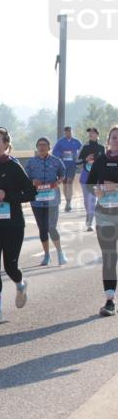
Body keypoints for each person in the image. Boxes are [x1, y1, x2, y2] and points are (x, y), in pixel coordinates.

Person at [0, 127, 35, 325]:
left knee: (10, 266)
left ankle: (20, 283)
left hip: (13, 225)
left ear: (6, 145)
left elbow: (30, 193)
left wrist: (8, 196)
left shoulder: (14, 167)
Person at [85, 125, 118, 316]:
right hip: (104, 215)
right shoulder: (100, 161)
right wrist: (95, 190)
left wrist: (116, 187)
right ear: (108, 140)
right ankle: (110, 301)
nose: (116, 140)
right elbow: (89, 185)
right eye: (114, 137)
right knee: (109, 257)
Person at [25, 137, 68, 266]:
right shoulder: (31, 162)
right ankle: (47, 255)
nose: (42, 147)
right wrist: (32, 181)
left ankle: (60, 253)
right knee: (42, 228)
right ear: (37, 147)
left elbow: (63, 174)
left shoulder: (56, 161)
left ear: (49, 147)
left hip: (52, 199)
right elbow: (24, 178)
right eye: (39, 145)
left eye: (44, 145)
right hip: (37, 200)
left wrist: (59, 181)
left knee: (51, 227)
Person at [79, 127, 106, 231]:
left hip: (97, 177)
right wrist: (86, 159)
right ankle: (88, 215)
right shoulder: (84, 147)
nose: (91, 134)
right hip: (85, 177)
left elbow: (105, 162)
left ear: (97, 134)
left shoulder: (101, 147)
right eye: (89, 132)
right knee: (87, 201)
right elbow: (77, 161)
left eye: (93, 132)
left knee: (93, 200)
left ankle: (89, 223)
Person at [52, 126, 82, 211]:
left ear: (72, 132)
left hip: (72, 165)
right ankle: (67, 201)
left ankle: (69, 202)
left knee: (69, 182)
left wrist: (77, 156)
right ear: (64, 133)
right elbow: (54, 151)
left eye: (70, 132)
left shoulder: (77, 142)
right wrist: (61, 155)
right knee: (65, 183)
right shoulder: (60, 142)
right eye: (67, 132)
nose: (68, 133)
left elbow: (82, 151)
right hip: (63, 165)